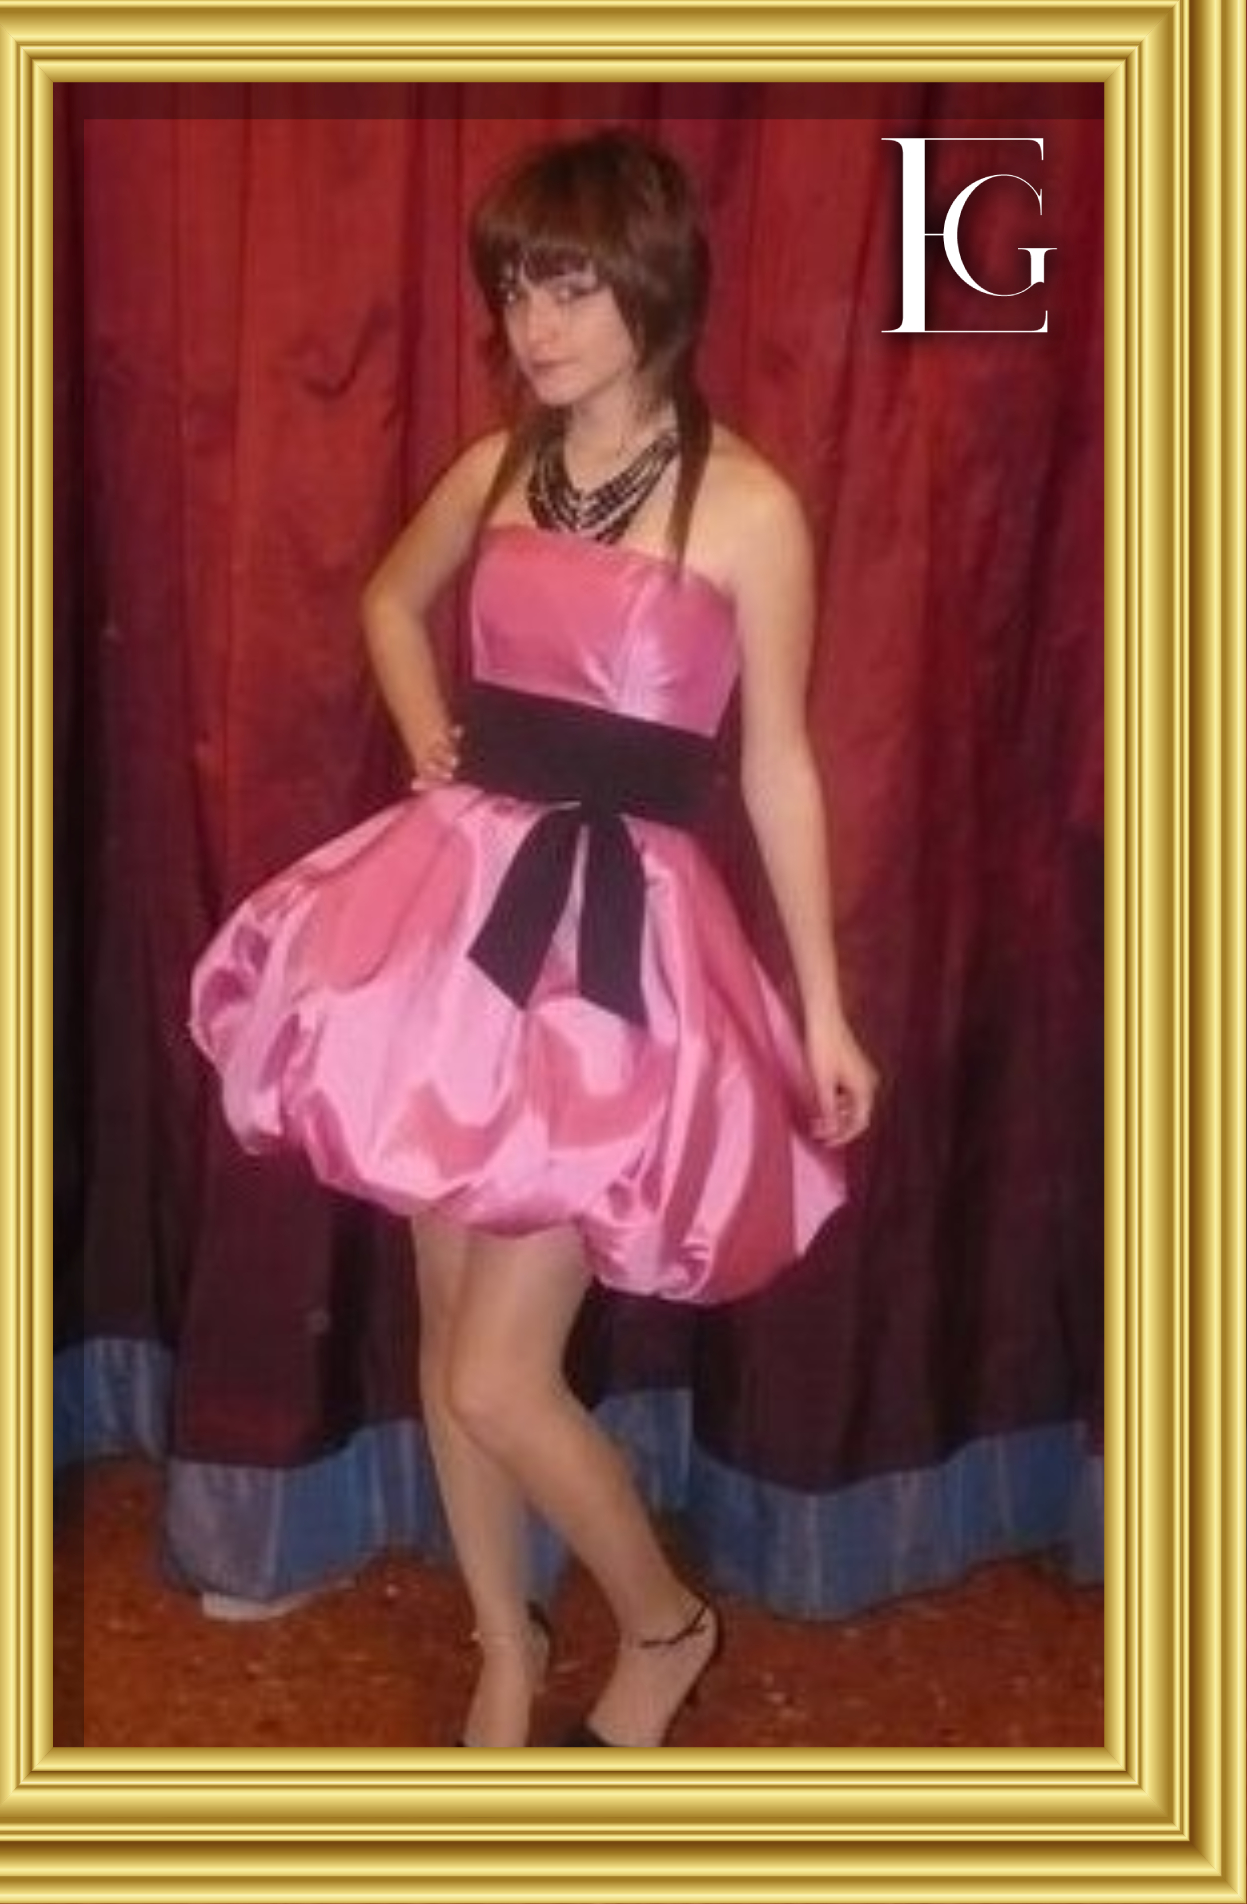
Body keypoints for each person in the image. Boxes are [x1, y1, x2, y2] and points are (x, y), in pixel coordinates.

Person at [190, 128, 878, 1748]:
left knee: (500, 1372)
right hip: (459, 918)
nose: (535, 320)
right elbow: (387, 599)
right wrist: (428, 729)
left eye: (569, 284)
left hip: (619, 960)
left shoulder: (750, 507)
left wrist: (824, 1007)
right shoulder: (497, 469)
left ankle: (666, 1620)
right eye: (516, 287)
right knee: (446, 1336)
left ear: (654, 282)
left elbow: (778, 763)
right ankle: (505, 1643)